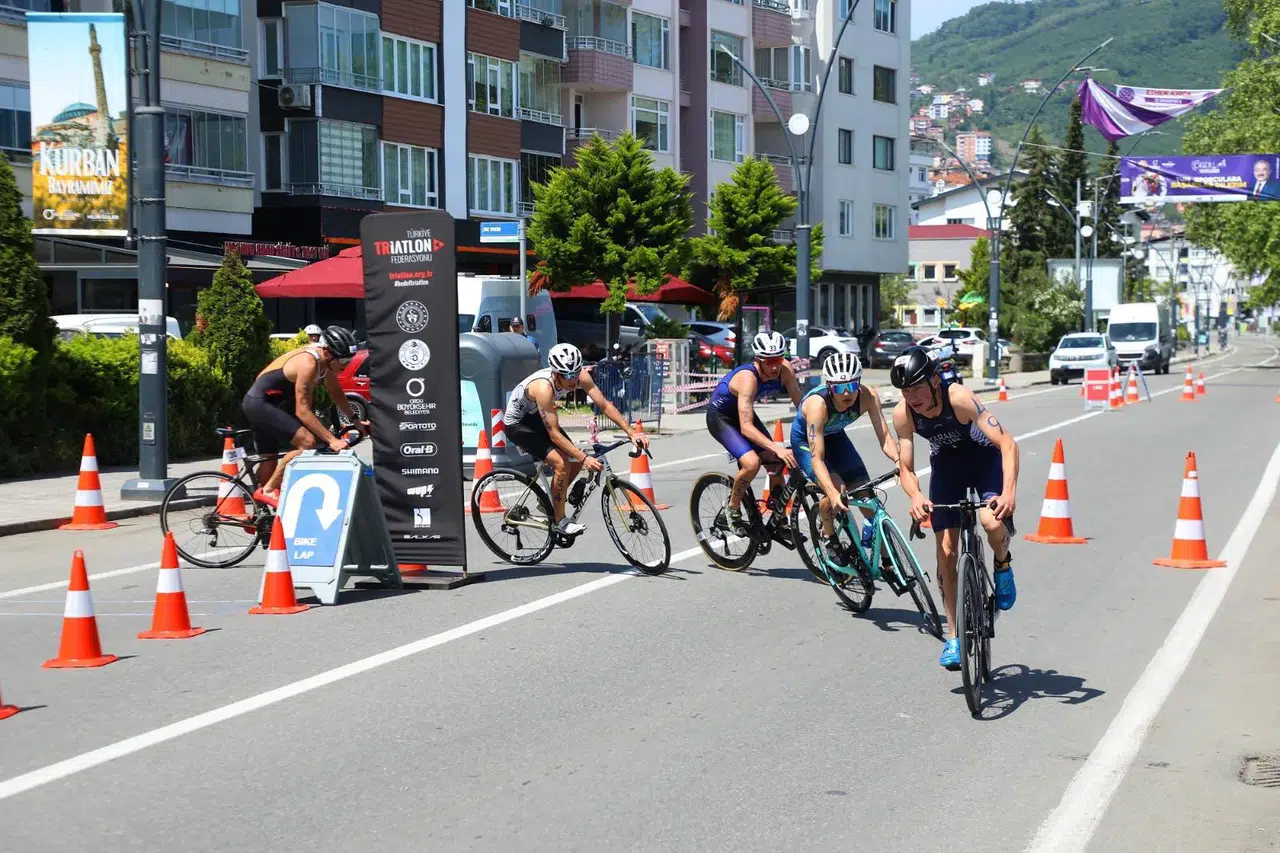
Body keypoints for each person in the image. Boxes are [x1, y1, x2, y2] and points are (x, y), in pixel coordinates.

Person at [889, 345, 1019, 670]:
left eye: (918, 387)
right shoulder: (904, 414)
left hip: (984, 459)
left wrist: (1008, 493)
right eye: (906, 390)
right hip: (947, 466)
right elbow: (905, 467)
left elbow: (1007, 443)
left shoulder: (958, 397)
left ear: (934, 380)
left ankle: (1002, 564)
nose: (913, 396)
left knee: (990, 522)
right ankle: (953, 635)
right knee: (945, 550)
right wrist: (916, 497)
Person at [503, 342, 648, 537]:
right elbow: (553, 433)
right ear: (555, 373)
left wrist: (632, 432)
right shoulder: (543, 388)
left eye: (575, 374)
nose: (573, 381)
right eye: (567, 375)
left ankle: (548, 501)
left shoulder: (581, 376)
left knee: (575, 462)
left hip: (538, 416)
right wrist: (584, 457)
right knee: (563, 463)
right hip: (518, 424)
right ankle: (560, 520)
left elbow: (604, 405)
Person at [241, 325, 368, 508]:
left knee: (269, 461)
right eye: (345, 360)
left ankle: (260, 517)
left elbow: (335, 391)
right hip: (259, 403)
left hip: (269, 403)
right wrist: (332, 440)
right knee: (307, 442)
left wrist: (354, 420)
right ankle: (268, 491)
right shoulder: (309, 363)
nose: (346, 364)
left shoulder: (328, 363)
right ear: (327, 352)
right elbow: (302, 411)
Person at [790, 352, 899, 558]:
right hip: (807, 442)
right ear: (830, 386)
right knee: (837, 490)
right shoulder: (817, 406)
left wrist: (899, 461)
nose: (847, 393)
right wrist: (830, 491)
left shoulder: (868, 396)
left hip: (836, 437)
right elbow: (817, 459)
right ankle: (829, 534)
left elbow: (885, 437)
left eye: (852, 386)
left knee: (867, 499)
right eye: (840, 388)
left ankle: (887, 560)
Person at [705, 331, 804, 532]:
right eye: (769, 361)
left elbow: (802, 406)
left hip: (744, 415)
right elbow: (746, 428)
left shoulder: (785, 370)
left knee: (779, 461)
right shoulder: (748, 378)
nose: (775, 366)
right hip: (721, 418)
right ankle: (731, 509)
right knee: (752, 463)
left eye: (778, 359)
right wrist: (778, 448)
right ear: (758, 360)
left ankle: (778, 516)